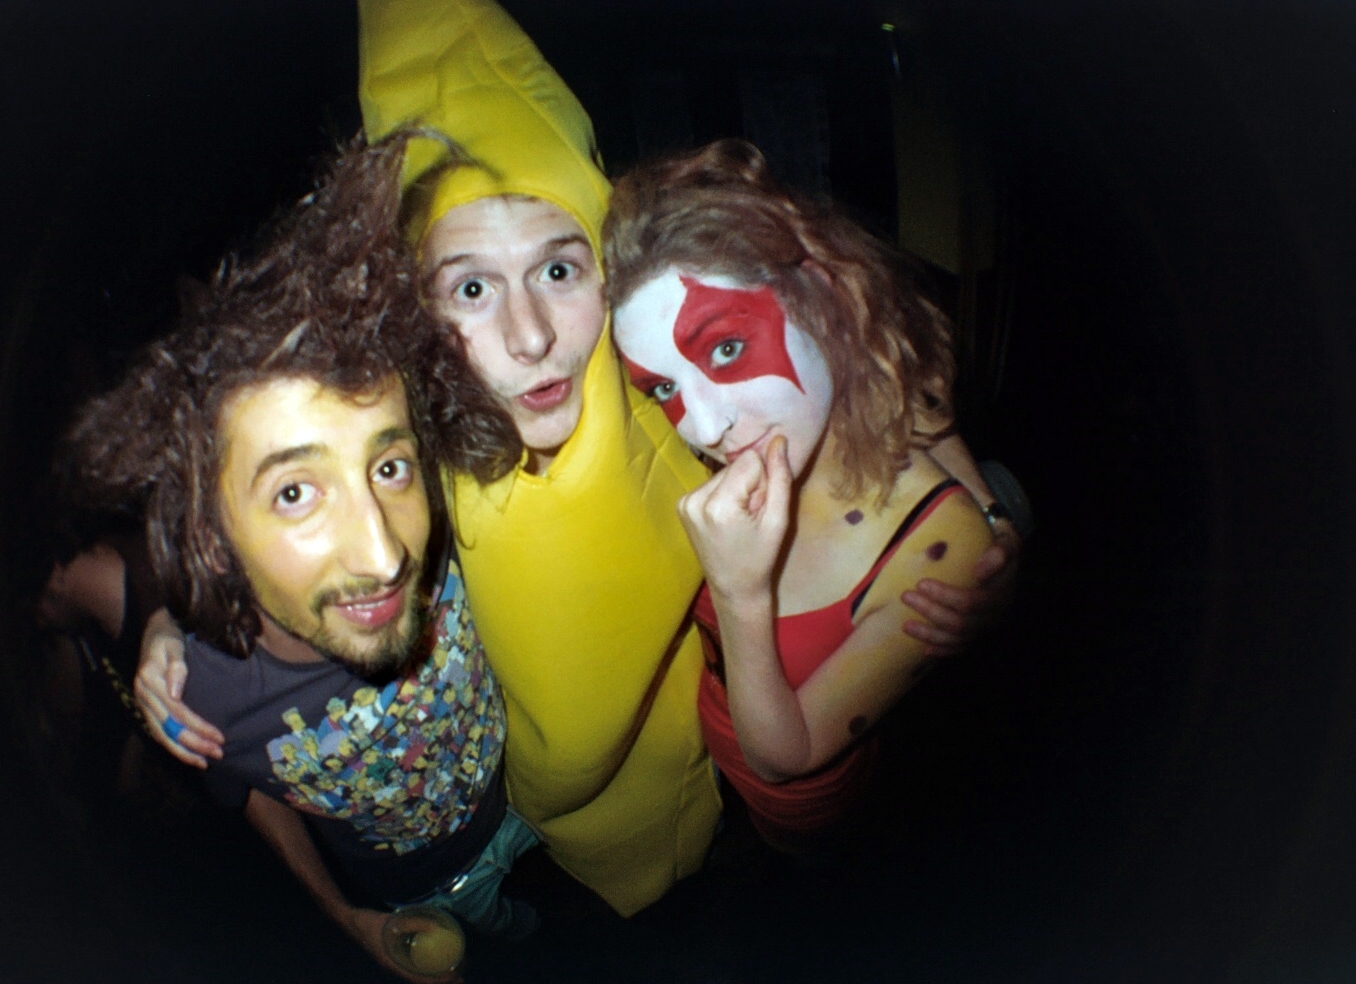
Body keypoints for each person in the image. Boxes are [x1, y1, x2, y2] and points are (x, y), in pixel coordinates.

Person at [136, 0, 1019, 914]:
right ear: (415, 311)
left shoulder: (670, 397)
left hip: (705, 793)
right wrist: (172, 625)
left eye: (559, 270)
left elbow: (883, 387)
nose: (529, 337)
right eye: (471, 288)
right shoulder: (409, 441)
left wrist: (992, 533)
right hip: (524, 832)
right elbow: (257, 492)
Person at [61, 132, 538, 981]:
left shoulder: (450, 517)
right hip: (423, 897)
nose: (384, 554)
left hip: (538, 806)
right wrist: (344, 918)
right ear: (212, 531)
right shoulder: (199, 690)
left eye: (387, 468)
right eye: (294, 493)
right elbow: (248, 786)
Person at [602, 138, 1015, 853]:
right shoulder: (773, 425)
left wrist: (740, 592)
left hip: (802, 803)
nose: (704, 428)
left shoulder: (928, 535)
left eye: (726, 348)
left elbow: (781, 758)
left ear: (827, 295)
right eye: (665, 387)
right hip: (705, 750)